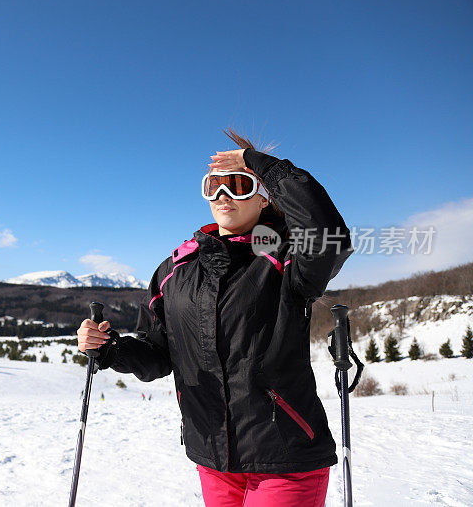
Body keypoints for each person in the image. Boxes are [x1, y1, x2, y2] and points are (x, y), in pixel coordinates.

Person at [77, 130, 353, 507]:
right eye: (214, 187)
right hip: (213, 456)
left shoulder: (286, 257)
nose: (224, 196)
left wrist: (261, 164)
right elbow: (158, 354)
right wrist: (110, 349)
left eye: (239, 185)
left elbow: (330, 236)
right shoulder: (174, 270)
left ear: (263, 196)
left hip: (284, 455)